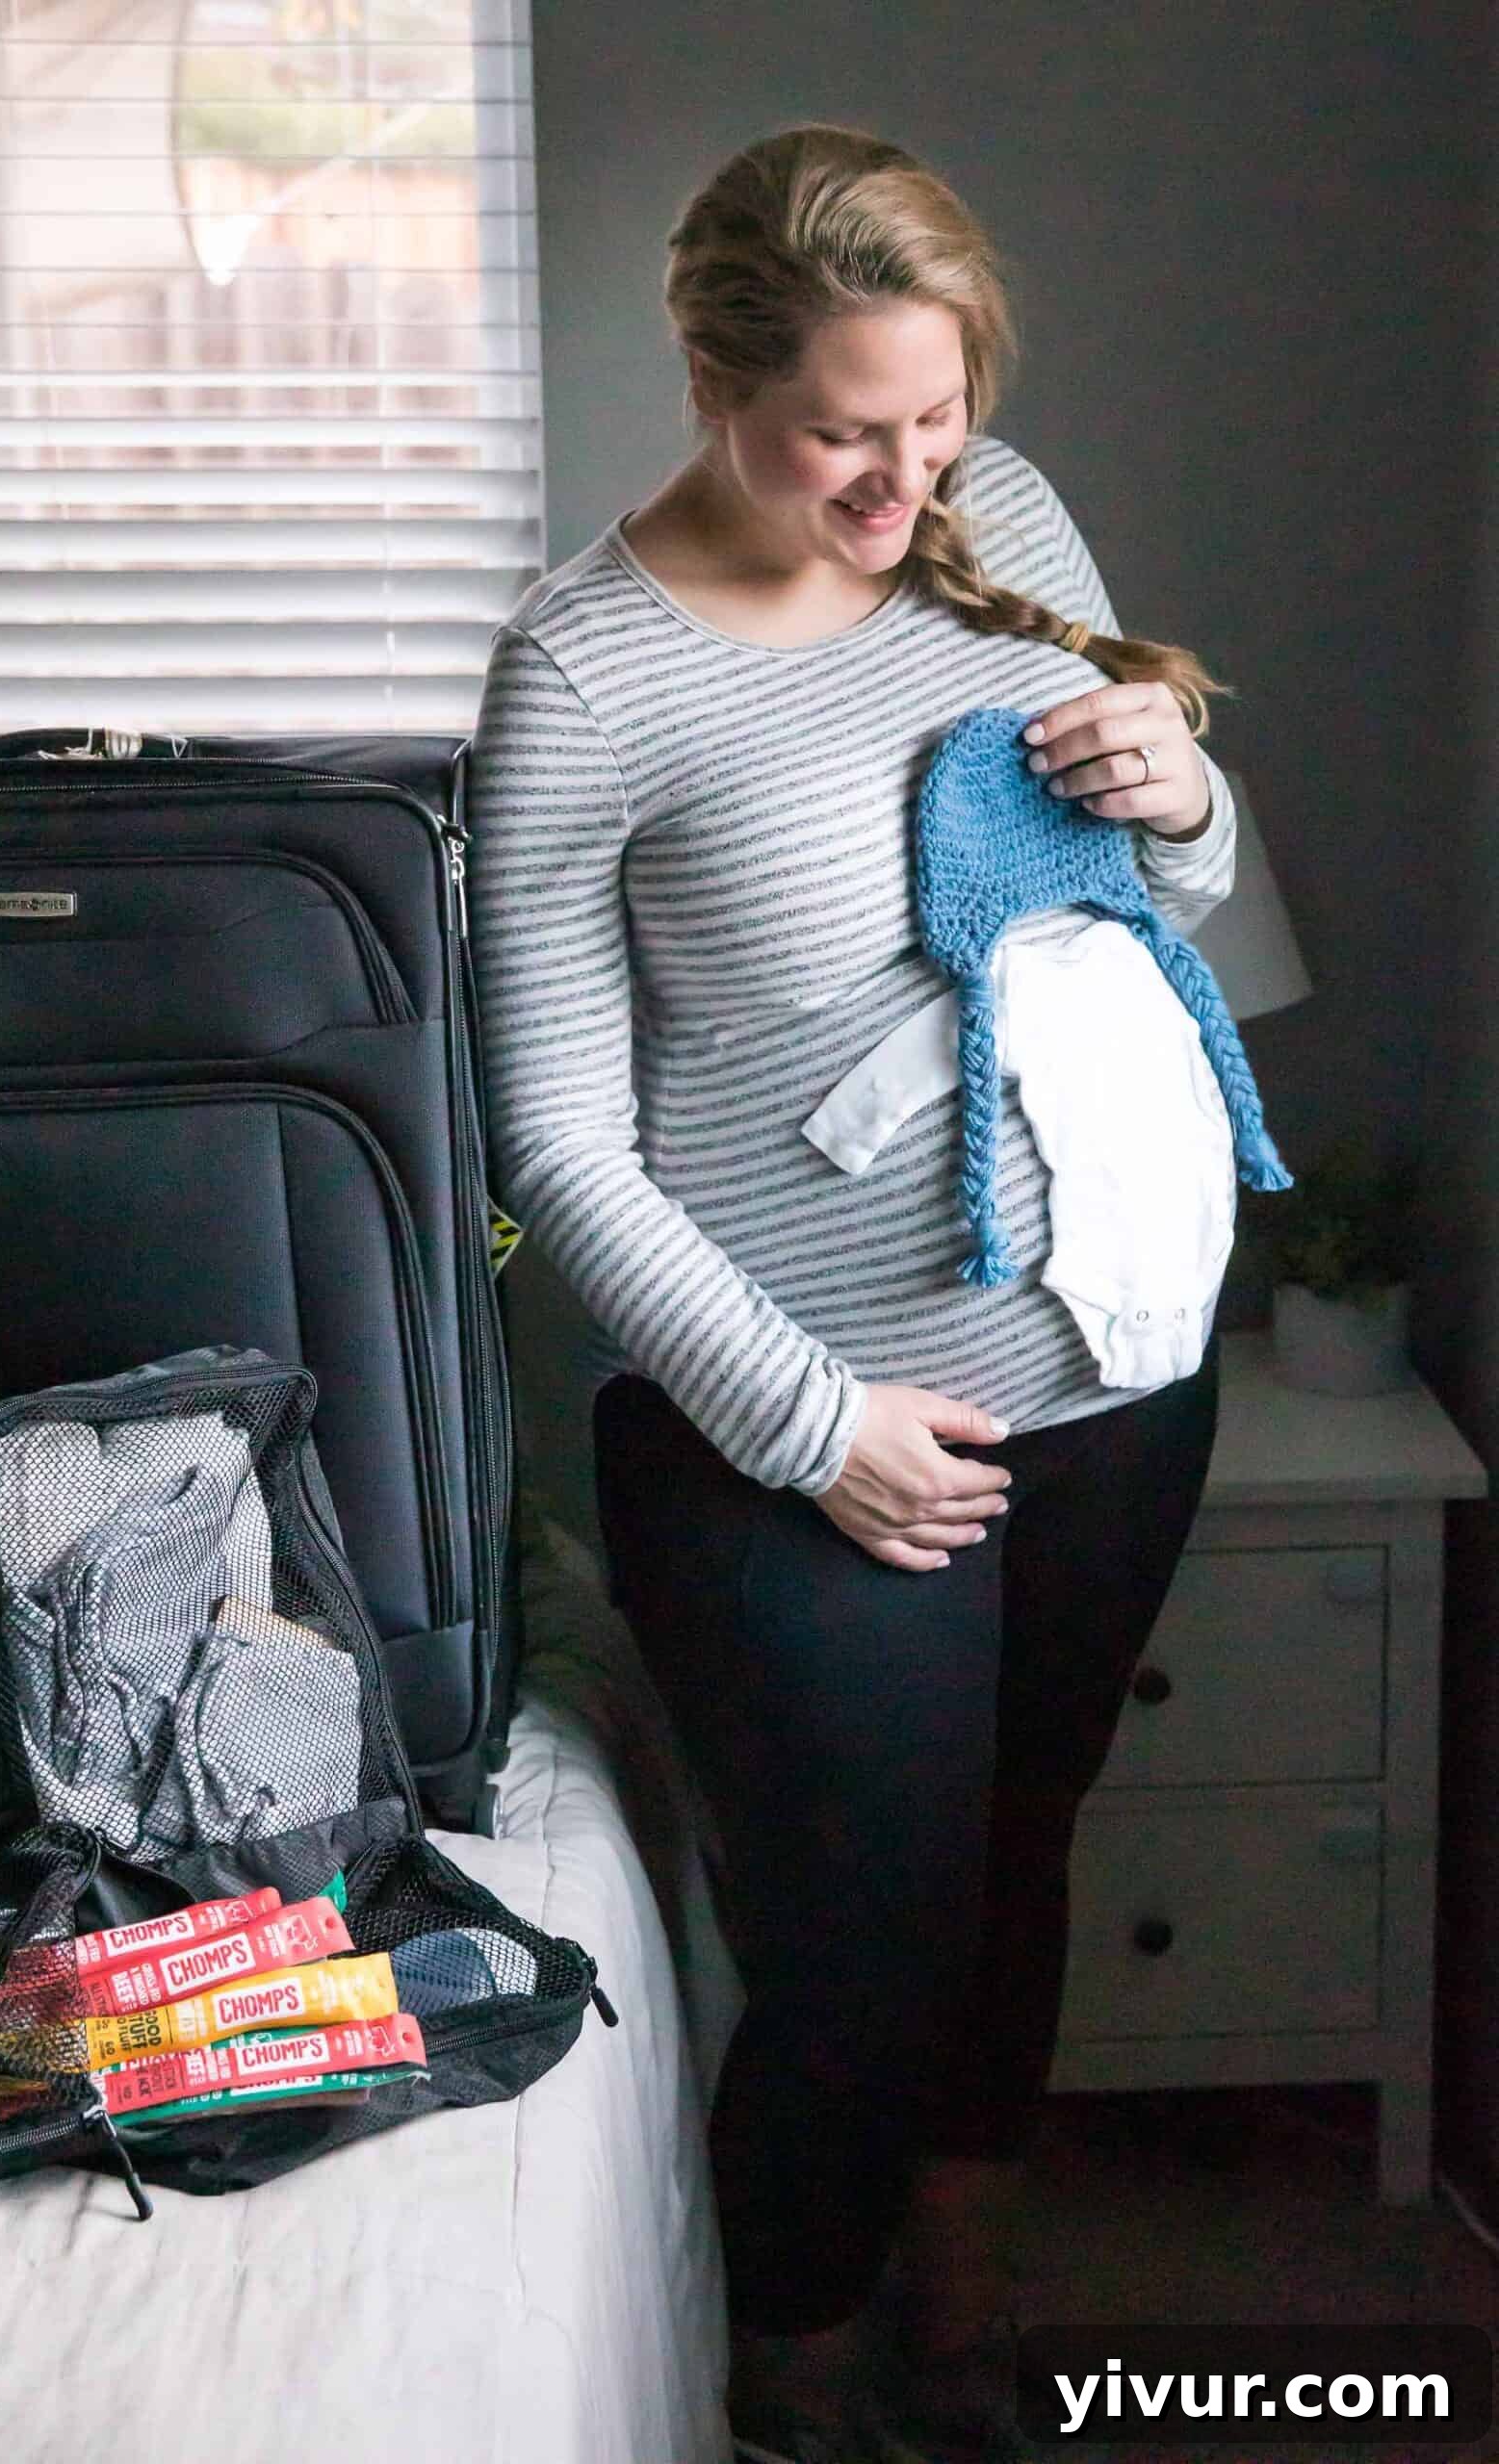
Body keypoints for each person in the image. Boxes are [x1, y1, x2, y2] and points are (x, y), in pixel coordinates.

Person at [467, 121, 1238, 2463]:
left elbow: (1139, 942)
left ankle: (965, 2320)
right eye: (840, 431)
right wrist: (809, 1422)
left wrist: (1180, 795)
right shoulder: (587, 679)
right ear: (710, 377)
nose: (903, 475)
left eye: (938, 417)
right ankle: (795, 2376)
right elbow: (550, 1148)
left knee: (1025, 1845)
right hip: (799, 1429)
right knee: (855, 1942)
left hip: (1107, 1354)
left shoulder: (1000, 528)